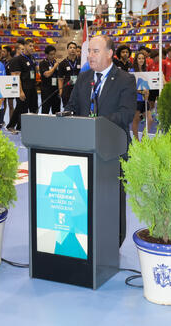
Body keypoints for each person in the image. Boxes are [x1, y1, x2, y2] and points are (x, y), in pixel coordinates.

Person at [65, 35, 136, 246]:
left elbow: (125, 115)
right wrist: (66, 114)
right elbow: (72, 106)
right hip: (84, 149)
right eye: (88, 51)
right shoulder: (84, 78)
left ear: (109, 54)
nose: (89, 55)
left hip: (113, 151)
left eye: (95, 51)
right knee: (85, 196)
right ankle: (87, 237)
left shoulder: (125, 79)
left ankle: (114, 241)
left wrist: (95, 123)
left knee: (112, 199)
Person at [6, 39, 38, 133]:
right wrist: (20, 91)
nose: (32, 48)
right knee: (20, 108)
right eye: (30, 46)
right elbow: (16, 77)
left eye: (33, 46)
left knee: (34, 108)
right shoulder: (18, 59)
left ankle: (32, 126)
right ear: (25, 47)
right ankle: (11, 125)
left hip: (32, 87)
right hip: (24, 88)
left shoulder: (32, 58)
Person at [131, 51, 153, 141]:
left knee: (150, 120)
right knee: (136, 120)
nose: (141, 60)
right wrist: (140, 91)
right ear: (136, 60)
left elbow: (146, 85)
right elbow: (131, 87)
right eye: (139, 58)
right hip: (136, 99)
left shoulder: (145, 71)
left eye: (143, 58)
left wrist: (147, 92)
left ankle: (143, 139)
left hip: (144, 99)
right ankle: (136, 141)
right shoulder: (132, 72)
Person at [58, 42, 80, 107]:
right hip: (67, 89)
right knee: (67, 108)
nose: (72, 49)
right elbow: (60, 79)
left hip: (78, 88)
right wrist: (60, 90)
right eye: (70, 48)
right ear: (67, 49)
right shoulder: (62, 63)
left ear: (76, 50)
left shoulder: (81, 61)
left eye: (74, 48)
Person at [39, 45, 60, 115]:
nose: (53, 56)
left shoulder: (56, 63)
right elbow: (47, 74)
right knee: (45, 110)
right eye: (51, 54)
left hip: (56, 90)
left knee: (56, 111)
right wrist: (54, 67)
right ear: (46, 55)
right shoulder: (43, 63)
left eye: (54, 54)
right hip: (46, 91)